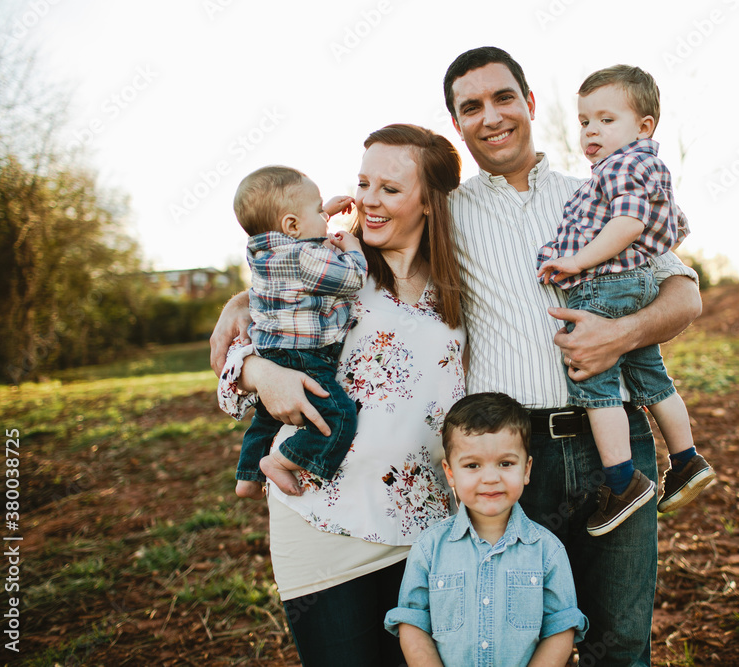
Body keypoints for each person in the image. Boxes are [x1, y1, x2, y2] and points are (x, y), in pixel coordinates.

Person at [443, 47, 701, 666]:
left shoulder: (596, 191)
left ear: (529, 104)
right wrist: (242, 298)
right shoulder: (444, 215)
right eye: (470, 107)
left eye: (503, 98)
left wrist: (623, 333)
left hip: (613, 445)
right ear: (457, 124)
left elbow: (685, 295)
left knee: (620, 643)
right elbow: (356, 258)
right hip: (511, 457)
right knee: (521, 646)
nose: (491, 116)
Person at [213, 124, 466, 666]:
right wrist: (260, 373)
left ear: (431, 202)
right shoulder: (325, 267)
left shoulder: (466, 284)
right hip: (320, 525)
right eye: (363, 182)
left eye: (391, 189)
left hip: (423, 531)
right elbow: (230, 385)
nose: (368, 201)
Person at [535, 65, 716, 536]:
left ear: (644, 126)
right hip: (631, 283)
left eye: (605, 119)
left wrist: (576, 261)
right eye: (584, 121)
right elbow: (665, 226)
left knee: (595, 384)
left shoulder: (623, 165)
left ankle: (621, 482)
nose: (591, 130)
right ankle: (686, 461)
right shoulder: (634, 168)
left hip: (606, 284)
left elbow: (629, 225)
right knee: (652, 378)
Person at [384, 392, 588, 667]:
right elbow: (412, 623)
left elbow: (561, 628)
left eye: (506, 463)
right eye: (472, 465)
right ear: (451, 472)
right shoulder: (429, 548)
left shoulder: (547, 551)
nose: (491, 478)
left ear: (527, 469)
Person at [232, 165, 365, 499]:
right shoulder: (306, 256)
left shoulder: (259, 251)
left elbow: (302, 231)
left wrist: (324, 212)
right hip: (305, 355)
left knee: (264, 417)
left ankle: (246, 476)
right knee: (338, 416)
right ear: (291, 224)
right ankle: (280, 461)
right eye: (319, 211)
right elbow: (352, 279)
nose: (326, 218)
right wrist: (353, 249)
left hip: (271, 351)